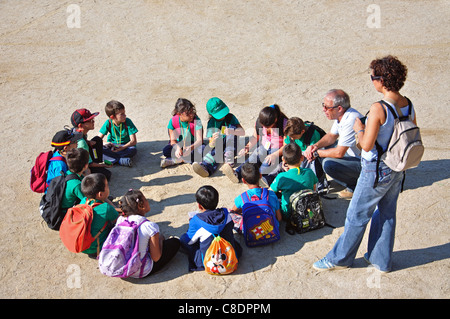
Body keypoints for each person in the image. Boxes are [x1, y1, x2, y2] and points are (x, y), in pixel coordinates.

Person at [313, 55, 414, 273]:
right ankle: (381, 260)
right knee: (386, 213)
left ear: (382, 80)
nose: (372, 80)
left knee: (357, 215)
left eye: (373, 77)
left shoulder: (379, 107)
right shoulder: (407, 104)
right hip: (397, 167)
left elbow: (365, 145)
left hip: (376, 169)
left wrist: (360, 127)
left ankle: (340, 258)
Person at [304, 89, 362, 198]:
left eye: (326, 107)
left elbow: (339, 153)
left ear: (339, 108)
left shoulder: (351, 120)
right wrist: (314, 146)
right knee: (323, 148)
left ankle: (354, 187)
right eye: (323, 105)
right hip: (353, 154)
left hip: (364, 163)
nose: (323, 110)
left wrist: (316, 153)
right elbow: (331, 136)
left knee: (328, 164)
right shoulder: (342, 116)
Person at [117, 189, 180, 277]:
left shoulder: (120, 220)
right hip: (140, 271)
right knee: (175, 242)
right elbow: (156, 257)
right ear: (141, 206)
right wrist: (160, 239)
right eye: (146, 199)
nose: (147, 201)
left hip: (121, 266)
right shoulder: (150, 226)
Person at [180, 185, 242, 271]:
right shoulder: (226, 214)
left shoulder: (196, 220)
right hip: (230, 255)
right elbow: (230, 226)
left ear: (199, 206)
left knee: (184, 239)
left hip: (209, 260)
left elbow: (189, 242)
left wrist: (191, 223)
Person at [222, 104, 288, 184]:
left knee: (266, 164)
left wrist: (275, 155)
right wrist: (247, 148)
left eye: (268, 127)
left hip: (277, 150)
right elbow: (255, 137)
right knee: (253, 157)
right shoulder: (260, 122)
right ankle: (237, 173)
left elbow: (286, 146)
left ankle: (261, 178)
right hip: (264, 146)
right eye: (264, 126)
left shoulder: (284, 124)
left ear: (275, 120)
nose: (265, 129)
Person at [264, 117, 327, 191]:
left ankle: (320, 184)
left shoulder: (313, 135)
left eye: (294, 137)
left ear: (302, 132)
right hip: (296, 156)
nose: (292, 139)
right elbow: (286, 147)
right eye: (290, 137)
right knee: (280, 167)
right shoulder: (290, 132)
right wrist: (285, 162)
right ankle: (268, 179)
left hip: (310, 158)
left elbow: (313, 153)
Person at [192, 97, 245, 177]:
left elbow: (242, 132)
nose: (222, 116)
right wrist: (213, 140)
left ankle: (229, 160)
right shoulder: (211, 123)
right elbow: (211, 144)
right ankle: (205, 167)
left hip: (230, 143)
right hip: (218, 145)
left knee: (232, 127)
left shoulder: (230, 117)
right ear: (211, 115)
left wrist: (232, 131)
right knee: (213, 152)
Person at [269, 143, 318, 220]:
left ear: (283, 159)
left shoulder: (281, 176)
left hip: (289, 214)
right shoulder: (309, 172)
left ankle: (279, 218)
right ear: (302, 158)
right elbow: (314, 189)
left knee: (274, 198)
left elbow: (269, 193)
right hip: (308, 209)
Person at [229, 163, 282, 233]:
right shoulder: (271, 194)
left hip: (252, 233)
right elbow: (279, 218)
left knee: (229, 213)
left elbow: (233, 212)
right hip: (271, 230)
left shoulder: (242, 198)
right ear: (260, 176)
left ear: (243, 181)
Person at [80, 173, 119, 258]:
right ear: (100, 194)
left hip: (83, 245)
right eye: (107, 186)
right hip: (97, 249)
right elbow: (118, 220)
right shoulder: (106, 208)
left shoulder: (83, 201)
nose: (109, 188)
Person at [161, 98, 204, 168]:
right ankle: (186, 159)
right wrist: (177, 148)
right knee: (166, 150)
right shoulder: (173, 121)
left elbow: (200, 140)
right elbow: (173, 141)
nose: (192, 115)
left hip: (193, 144)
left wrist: (191, 147)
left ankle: (177, 160)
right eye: (188, 113)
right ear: (179, 114)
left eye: (192, 111)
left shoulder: (197, 120)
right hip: (180, 144)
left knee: (202, 149)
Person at [71, 108, 112, 180]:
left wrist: (88, 142)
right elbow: (89, 164)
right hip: (82, 165)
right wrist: (103, 165)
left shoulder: (77, 131)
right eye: (90, 120)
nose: (93, 122)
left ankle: (97, 162)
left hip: (84, 157)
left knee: (97, 140)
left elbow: (84, 139)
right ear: (81, 125)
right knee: (106, 175)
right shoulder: (82, 144)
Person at [97, 100, 138, 167]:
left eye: (124, 113)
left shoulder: (127, 121)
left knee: (133, 150)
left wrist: (122, 147)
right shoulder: (108, 123)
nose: (125, 115)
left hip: (126, 146)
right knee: (99, 149)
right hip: (113, 146)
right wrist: (108, 143)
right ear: (112, 117)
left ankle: (112, 159)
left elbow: (133, 141)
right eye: (122, 114)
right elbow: (98, 139)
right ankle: (120, 160)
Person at [60, 148, 90, 215]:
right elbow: (89, 201)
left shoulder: (68, 173)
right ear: (86, 166)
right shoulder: (77, 185)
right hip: (66, 213)